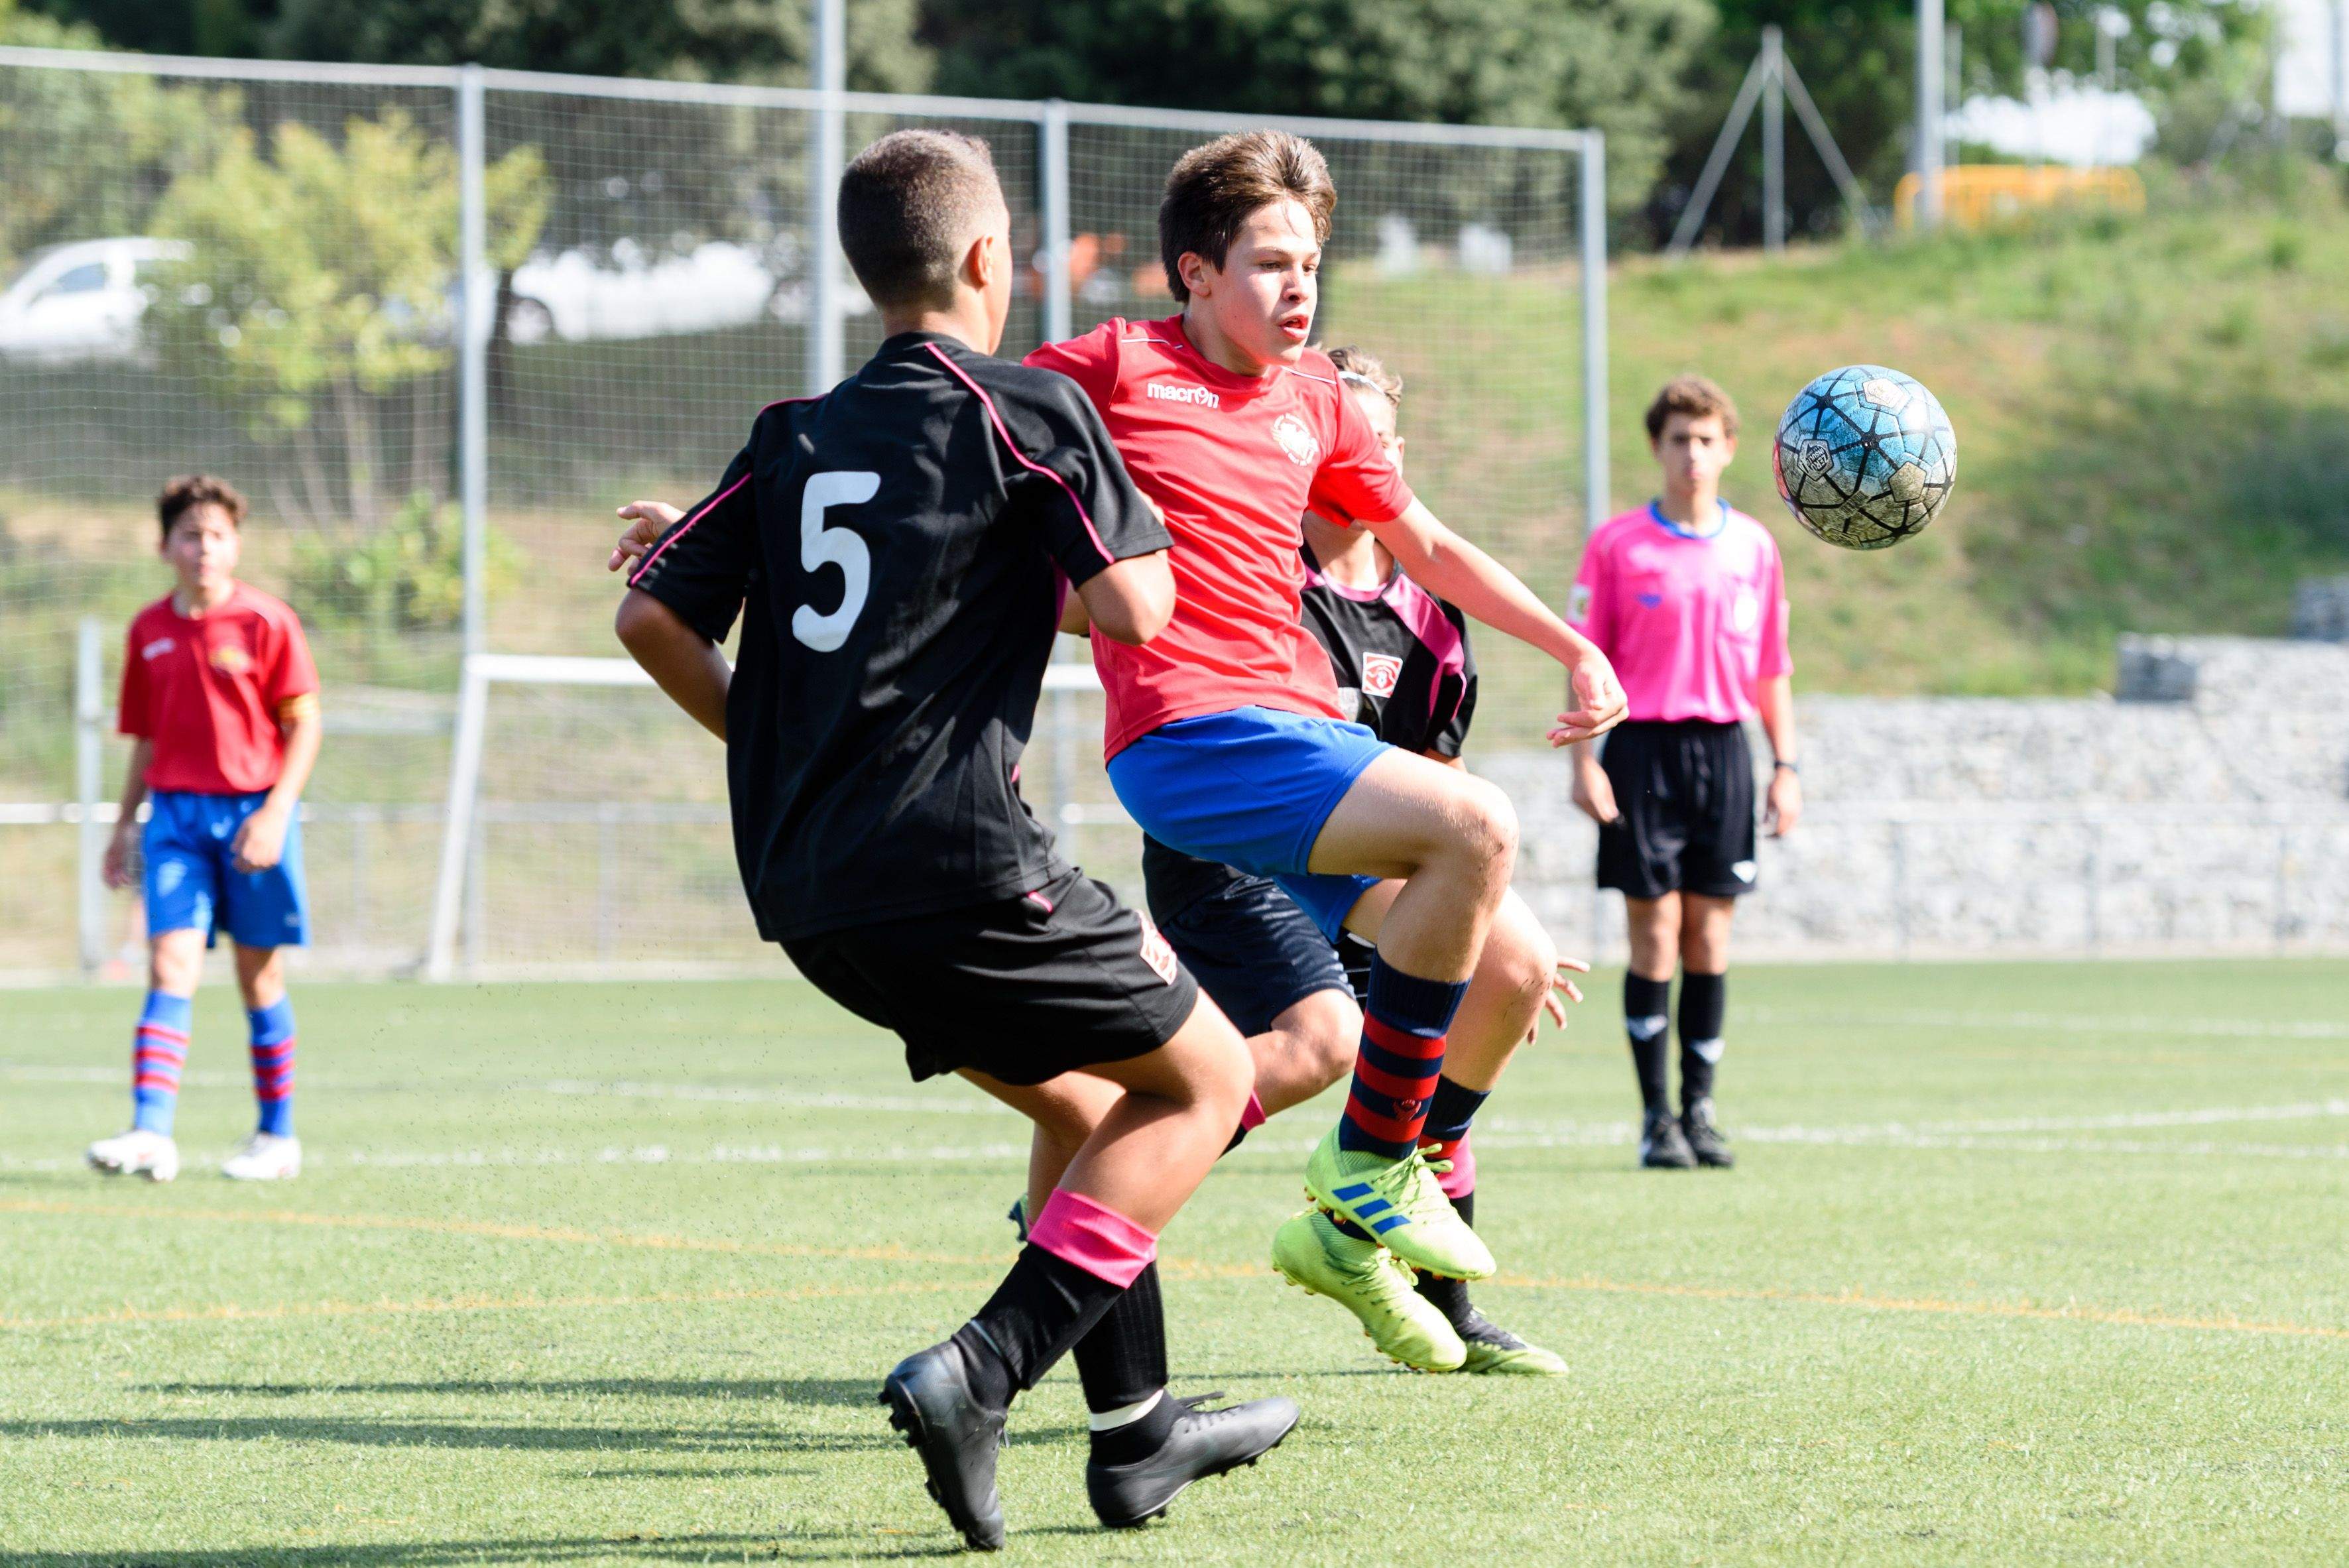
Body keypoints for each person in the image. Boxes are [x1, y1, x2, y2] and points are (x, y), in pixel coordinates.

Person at [609, 129, 1295, 1551]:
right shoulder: (1027, 409)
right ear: (991, 261)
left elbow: (651, 615)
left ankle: (1136, 1437)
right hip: (957, 864)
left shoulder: (793, 434)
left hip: (810, 893)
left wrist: (774, 736)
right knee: (1207, 1074)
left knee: (1093, 1107)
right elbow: (1138, 613)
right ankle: (978, 1371)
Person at [1022, 131, 1626, 1290]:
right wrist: (743, 523)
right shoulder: (1107, 365)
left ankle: (1120, 1211)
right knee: (1477, 825)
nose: (1297, 288)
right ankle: (1371, 1168)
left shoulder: (1316, 400)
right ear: (1192, 273)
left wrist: (1570, 645)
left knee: (1507, 960)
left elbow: (1430, 546)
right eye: (1266, 263)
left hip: (1304, 739)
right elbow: (930, 423)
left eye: (1309, 264)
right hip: (1190, 738)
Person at [1137, 345, 1582, 1375]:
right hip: (1228, 862)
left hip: (1364, 869)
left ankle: (1412, 1279)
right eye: (1344, 434)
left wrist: (1470, 918)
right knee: (1315, 1046)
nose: (1360, 455)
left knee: (1509, 972)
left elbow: (1441, 782)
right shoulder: (1255, 568)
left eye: (1378, 438)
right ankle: (1101, 1175)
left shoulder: (1428, 616)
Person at [1565, 377, 1800, 1171]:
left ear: (1729, 449)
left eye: (1706, 440)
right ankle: (1655, 1119)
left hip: (1726, 753)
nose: (1692, 454)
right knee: (1655, 935)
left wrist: (1785, 766)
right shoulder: (1619, 544)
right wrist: (1583, 764)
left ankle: (1701, 1109)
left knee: (1710, 936)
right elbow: (1585, 660)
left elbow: (1772, 667)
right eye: (1678, 440)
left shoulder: (1755, 547)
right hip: (1643, 753)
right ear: (1657, 448)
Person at [86, 475, 320, 1185]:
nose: (204, 548)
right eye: (190, 535)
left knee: (259, 975)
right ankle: (152, 1133)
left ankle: (277, 1137)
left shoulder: (267, 622)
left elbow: (304, 723)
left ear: (235, 544)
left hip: (253, 815)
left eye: (217, 535)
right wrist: (124, 823)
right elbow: (147, 739)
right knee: (169, 964)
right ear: (165, 547)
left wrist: (277, 812)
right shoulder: (149, 630)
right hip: (177, 821)